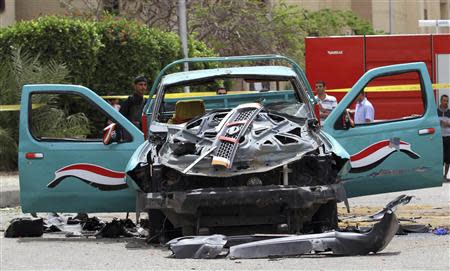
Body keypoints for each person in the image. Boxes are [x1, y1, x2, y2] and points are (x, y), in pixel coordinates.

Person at [438, 94, 450, 181]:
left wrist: (448, 124)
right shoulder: (435, 112)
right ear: (440, 101)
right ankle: (439, 176)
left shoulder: (449, 112)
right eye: (444, 100)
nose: (446, 102)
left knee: (448, 158)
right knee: (440, 157)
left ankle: (445, 176)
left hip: (448, 137)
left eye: (447, 101)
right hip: (439, 138)